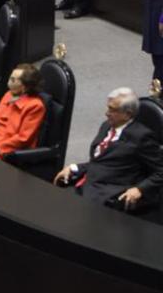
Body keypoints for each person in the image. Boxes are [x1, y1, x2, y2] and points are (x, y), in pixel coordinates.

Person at [54, 87, 163, 217]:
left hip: (109, 191)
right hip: (90, 181)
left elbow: (160, 170)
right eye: (108, 107)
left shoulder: (141, 137)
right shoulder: (106, 126)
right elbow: (101, 161)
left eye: (112, 109)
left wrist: (140, 189)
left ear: (127, 114)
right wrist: (75, 167)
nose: (107, 113)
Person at [0, 64, 46, 158]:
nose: (9, 81)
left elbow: (23, 139)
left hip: (5, 152)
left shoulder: (35, 106)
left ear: (24, 87)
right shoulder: (8, 95)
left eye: (13, 80)